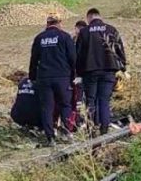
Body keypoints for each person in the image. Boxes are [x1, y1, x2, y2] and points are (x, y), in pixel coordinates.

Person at [76, 8, 127, 135]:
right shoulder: (111, 30)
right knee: (104, 100)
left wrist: (78, 73)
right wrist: (123, 68)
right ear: (100, 17)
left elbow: (78, 54)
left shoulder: (84, 32)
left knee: (91, 100)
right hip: (108, 71)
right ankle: (104, 129)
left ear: (88, 18)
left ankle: (92, 128)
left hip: (90, 72)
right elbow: (119, 49)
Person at [28, 14, 76, 145]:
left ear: (47, 24)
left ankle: (50, 137)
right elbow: (73, 58)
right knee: (66, 105)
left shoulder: (39, 38)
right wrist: (74, 75)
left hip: (44, 78)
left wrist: (32, 77)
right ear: (59, 23)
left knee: (47, 108)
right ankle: (67, 133)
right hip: (62, 77)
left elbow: (33, 60)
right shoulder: (65, 37)